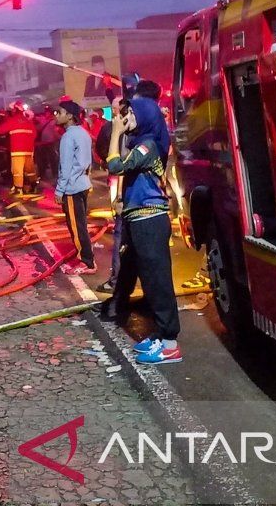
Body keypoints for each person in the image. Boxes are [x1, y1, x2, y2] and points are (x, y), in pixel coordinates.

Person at [100, 88, 182, 365]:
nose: (126, 116)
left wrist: (115, 131)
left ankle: (170, 344)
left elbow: (114, 166)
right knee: (148, 279)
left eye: (132, 112)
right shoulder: (141, 142)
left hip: (150, 220)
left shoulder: (147, 145)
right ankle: (161, 334)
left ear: (146, 115)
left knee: (158, 281)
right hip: (139, 219)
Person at [54, 101, 97, 275]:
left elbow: (66, 166)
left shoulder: (68, 137)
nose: (56, 115)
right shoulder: (83, 133)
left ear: (70, 116)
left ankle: (87, 262)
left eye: (60, 112)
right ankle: (87, 258)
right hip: (83, 184)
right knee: (81, 225)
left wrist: (59, 190)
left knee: (77, 228)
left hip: (72, 187)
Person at [95, 98, 125, 295]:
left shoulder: (113, 128)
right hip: (147, 193)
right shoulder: (142, 126)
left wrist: (119, 197)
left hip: (120, 182)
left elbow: (117, 164)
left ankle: (117, 281)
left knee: (121, 231)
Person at [0, 102, 37, 196]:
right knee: (30, 170)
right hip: (28, 150)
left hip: (17, 151)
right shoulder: (28, 121)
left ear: (16, 109)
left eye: (13, 109)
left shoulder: (13, 120)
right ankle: (33, 186)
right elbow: (34, 134)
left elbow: (1, 129)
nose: (12, 111)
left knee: (17, 170)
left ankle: (18, 189)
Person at [34, 106, 59, 183]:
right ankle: (42, 174)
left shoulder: (54, 121)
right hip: (43, 143)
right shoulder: (43, 120)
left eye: (48, 111)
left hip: (50, 143)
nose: (47, 113)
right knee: (43, 160)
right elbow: (37, 127)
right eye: (46, 111)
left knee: (53, 159)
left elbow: (56, 131)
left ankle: (55, 174)